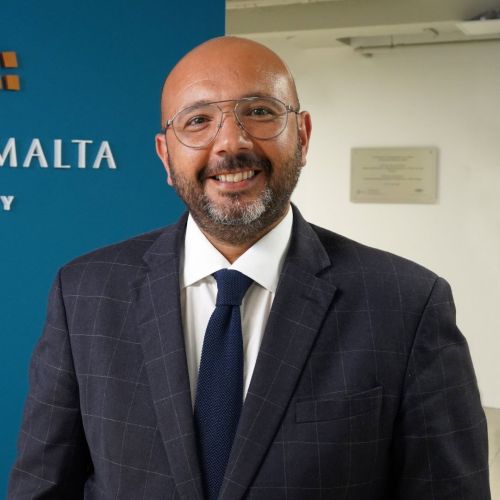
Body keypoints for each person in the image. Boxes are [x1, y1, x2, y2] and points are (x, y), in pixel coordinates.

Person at [8, 36, 490, 500]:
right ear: (166, 155)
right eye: (198, 120)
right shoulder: (85, 293)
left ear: (302, 136)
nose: (230, 143)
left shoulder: (406, 305)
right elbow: (43, 487)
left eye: (259, 112)